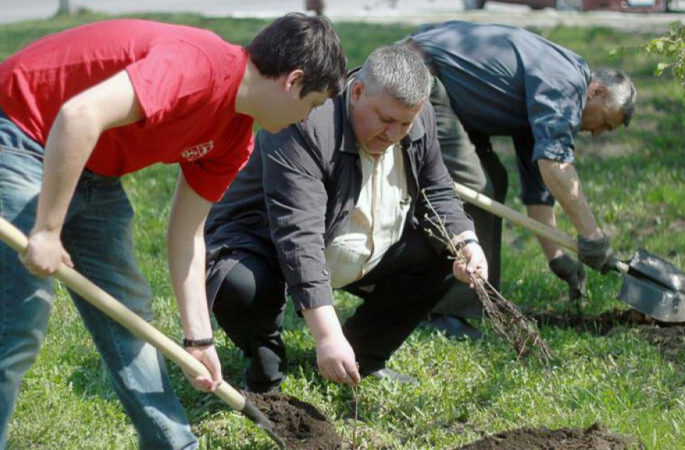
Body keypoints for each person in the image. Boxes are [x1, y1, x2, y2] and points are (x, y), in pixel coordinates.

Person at [0, 14, 345, 449]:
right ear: (293, 81)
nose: (304, 120)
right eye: (312, 105)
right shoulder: (198, 66)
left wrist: (198, 339)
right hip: (21, 128)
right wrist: (48, 230)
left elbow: (187, 236)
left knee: (130, 316)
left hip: (93, 164)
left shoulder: (236, 140)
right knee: (19, 320)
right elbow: (78, 114)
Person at [204, 46, 487, 393]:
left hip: (356, 243)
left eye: (405, 123)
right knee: (241, 286)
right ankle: (267, 369)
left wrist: (465, 242)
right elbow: (298, 234)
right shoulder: (305, 120)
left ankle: (359, 358)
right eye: (385, 120)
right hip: (267, 243)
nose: (395, 133)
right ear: (356, 92)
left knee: (442, 250)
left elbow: (437, 188)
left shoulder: (417, 115)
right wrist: (326, 334)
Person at [401, 21, 636, 337]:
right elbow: (555, 164)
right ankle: (444, 313)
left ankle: (451, 296)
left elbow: (539, 190)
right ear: (597, 91)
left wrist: (558, 258)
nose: (594, 133)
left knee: (493, 180)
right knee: (476, 185)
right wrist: (592, 237)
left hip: (442, 89)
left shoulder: (549, 99)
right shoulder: (565, 83)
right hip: (418, 76)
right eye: (604, 122)